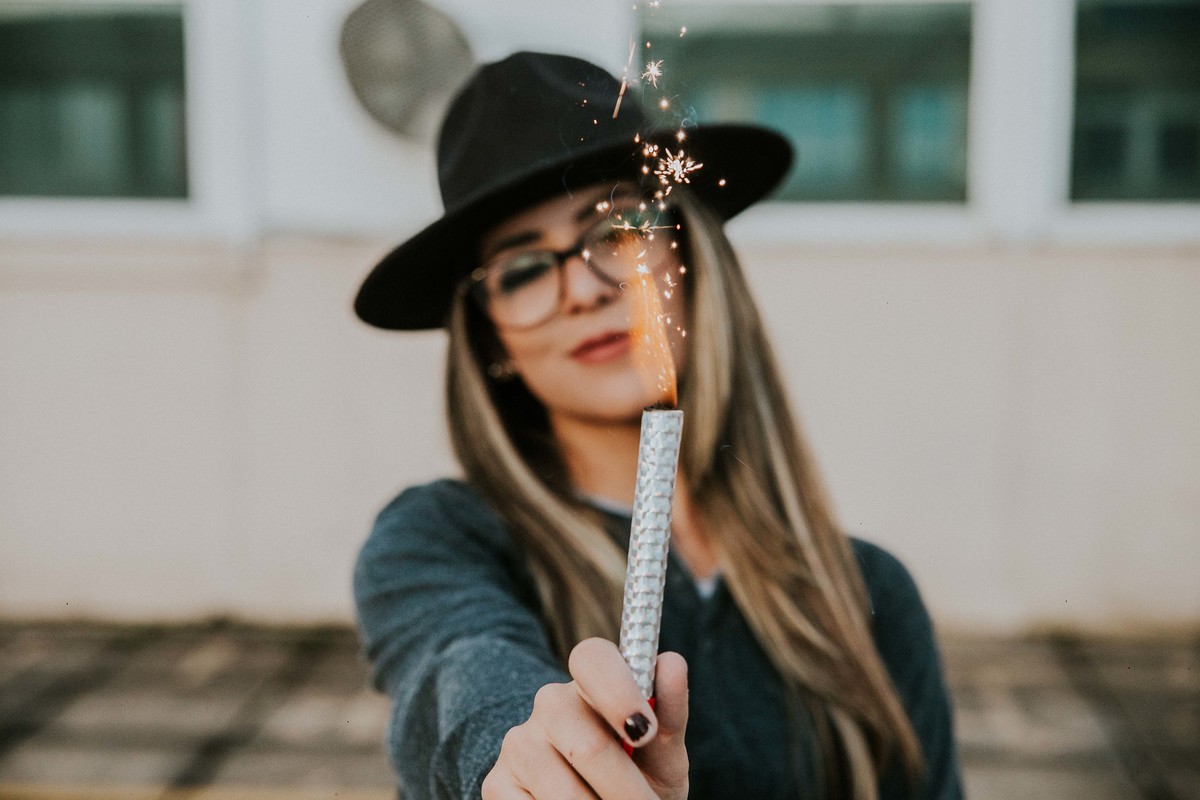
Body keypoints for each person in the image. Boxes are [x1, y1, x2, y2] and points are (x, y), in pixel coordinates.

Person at [352, 51, 963, 800]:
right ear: (491, 341)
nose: (580, 286)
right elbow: (461, 667)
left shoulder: (868, 594)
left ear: (690, 255)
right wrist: (525, 756)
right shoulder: (440, 541)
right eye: (519, 270)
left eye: (618, 228)